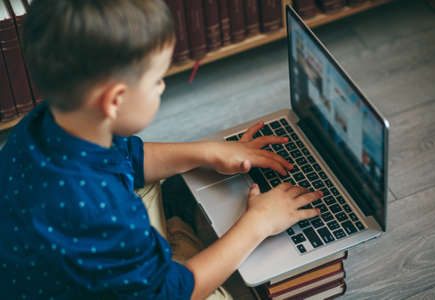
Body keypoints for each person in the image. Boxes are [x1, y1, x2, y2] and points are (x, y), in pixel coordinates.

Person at [0, 0, 322, 299]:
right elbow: (172, 292)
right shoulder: (105, 213)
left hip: (48, 262)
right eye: (157, 81)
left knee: (158, 182)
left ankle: (180, 237)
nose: (163, 87)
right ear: (114, 100)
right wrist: (259, 223)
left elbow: (128, 157)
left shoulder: (44, 123)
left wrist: (207, 152)